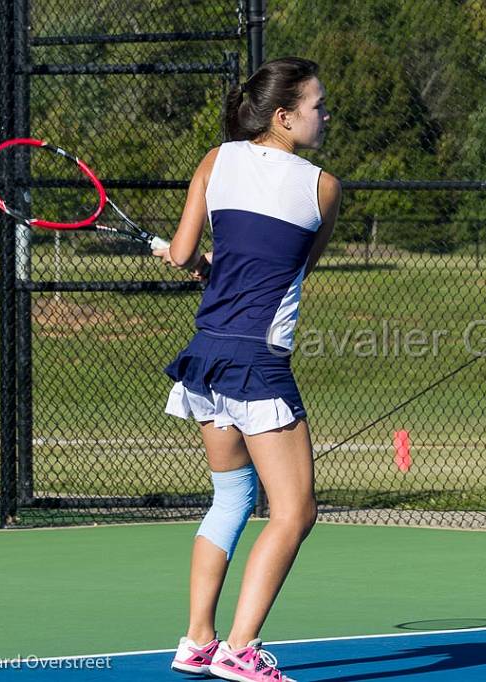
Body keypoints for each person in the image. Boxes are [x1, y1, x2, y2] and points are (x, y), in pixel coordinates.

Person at [154, 56, 339, 682]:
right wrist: (221, 267)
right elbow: (290, 270)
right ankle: (240, 648)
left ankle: (197, 641)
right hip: (259, 363)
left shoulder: (216, 159)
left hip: (205, 357)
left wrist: (201, 261)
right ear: (285, 117)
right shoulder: (322, 188)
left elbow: (184, 256)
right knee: (295, 512)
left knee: (233, 494)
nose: (326, 114)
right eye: (318, 105)